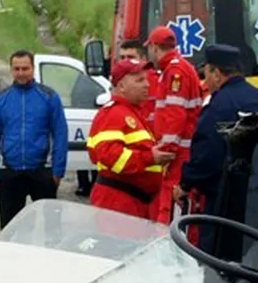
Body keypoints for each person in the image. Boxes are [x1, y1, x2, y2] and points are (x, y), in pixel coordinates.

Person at [177, 43, 258, 257]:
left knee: (218, 262)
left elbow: (206, 157)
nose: (206, 81)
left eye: (207, 74)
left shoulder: (218, 106)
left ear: (217, 74)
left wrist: (185, 185)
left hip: (225, 199)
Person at [0, 50, 68, 230]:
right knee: (10, 229)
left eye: (25, 69)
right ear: (11, 70)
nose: (21, 73)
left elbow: (60, 135)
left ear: (33, 69)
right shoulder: (0, 100)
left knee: (52, 230)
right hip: (10, 172)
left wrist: (57, 172)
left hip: (41, 171)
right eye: (17, 69)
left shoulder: (49, 97)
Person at [86, 59, 175, 219]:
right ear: (121, 86)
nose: (147, 85)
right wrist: (150, 157)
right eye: (139, 80)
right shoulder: (113, 114)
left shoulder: (131, 113)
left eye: (146, 79)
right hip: (118, 202)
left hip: (132, 202)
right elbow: (110, 155)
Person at [145, 24, 204, 224]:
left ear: (154, 47)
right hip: (183, 152)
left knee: (171, 211)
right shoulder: (180, 68)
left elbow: (175, 115)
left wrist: (166, 150)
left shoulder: (174, 72)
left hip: (178, 155)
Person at [117, 38, 157, 126]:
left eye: (131, 57)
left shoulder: (158, 81)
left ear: (143, 59)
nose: (126, 61)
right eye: (122, 57)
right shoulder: (118, 82)